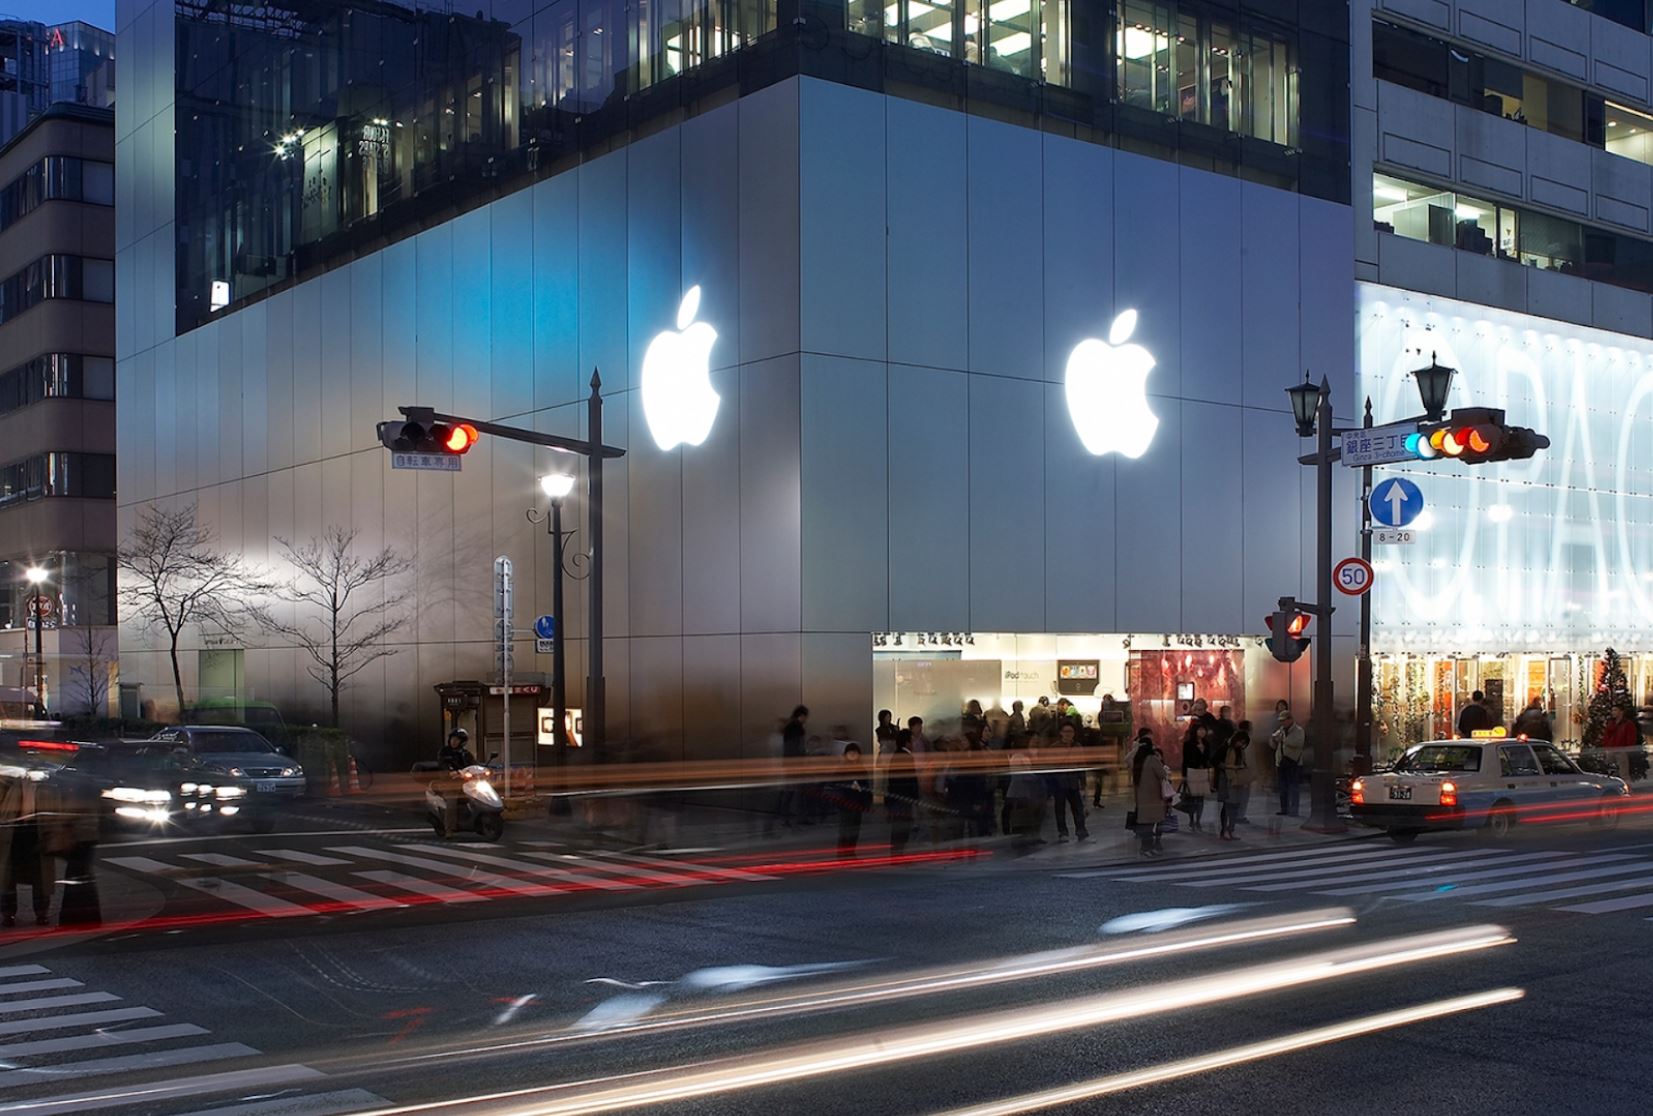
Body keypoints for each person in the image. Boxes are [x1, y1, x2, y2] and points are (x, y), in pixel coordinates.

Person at [0, 766, 50, 927]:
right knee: (8, 877)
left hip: (36, 832)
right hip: (14, 833)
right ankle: (8, 914)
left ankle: (41, 913)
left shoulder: (46, 780)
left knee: (40, 878)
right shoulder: (8, 778)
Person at [1046, 721, 1090, 842]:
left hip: (1073, 782)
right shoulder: (1054, 748)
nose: (1068, 734)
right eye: (1065, 731)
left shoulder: (1078, 747)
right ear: (1061, 733)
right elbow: (1050, 766)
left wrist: (1083, 783)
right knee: (1060, 809)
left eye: (1070, 731)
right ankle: (1063, 832)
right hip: (1059, 783)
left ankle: (1081, 830)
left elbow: (1082, 765)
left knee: (1077, 808)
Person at [1131, 730, 1169, 857]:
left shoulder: (1137, 760)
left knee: (1145, 824)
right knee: (1152, 824)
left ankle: (1145, 847)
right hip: (1154, 796)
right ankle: (1147, 848)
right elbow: (1162, 774)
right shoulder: (1152, 759)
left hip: (1141, 796)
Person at [1005, 742, 1047, 852]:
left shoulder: (1028, 756)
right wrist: (1036, 778)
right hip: (1019, 791)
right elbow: (1021, 774)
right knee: (1020, 816)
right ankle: (1020, 840)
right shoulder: (1017, 757)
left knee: (1030, 815)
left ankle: (1030, 837)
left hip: (1029, 792)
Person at [833, 743, 873, 857]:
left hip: (857, 803)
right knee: (846, 828)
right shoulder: (842, 769)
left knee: (855, 828)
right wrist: (849, 785)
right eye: (850, 753)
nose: (853, 755)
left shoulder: (862, 769)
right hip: (846, 803)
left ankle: (851, 852)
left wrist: (866, 802)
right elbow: (836, 784)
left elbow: (866, 787)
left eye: (855, 753)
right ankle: (843, 853)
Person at [437, 728, 477, 837]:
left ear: (462, 742)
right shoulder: (444, 752)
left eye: (457, 739)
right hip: (449, 783)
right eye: (452, 739)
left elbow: (474, 765)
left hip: (466, 783)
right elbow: (442, 764)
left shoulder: (466, 754)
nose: (454, 741)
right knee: (452, 800)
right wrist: (450, 772)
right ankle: (449, 829)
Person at [885, 729, 918, 853]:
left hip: (899, 797)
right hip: (903, 797)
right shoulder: (904, 757)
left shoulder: (898, 755)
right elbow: (907, 780)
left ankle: (897, 853)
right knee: (901, 828)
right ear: (907, 742)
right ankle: (897, 854)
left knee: (900, 827)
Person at [1214, 730, 1251, 840]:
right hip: (1227, 779)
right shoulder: (1226, 748)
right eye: (1241, 742)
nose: (1241, 744)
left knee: (1235, 806)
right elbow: (1214, 761)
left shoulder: (1240, 750)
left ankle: (1231, 829)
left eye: (1243, 743)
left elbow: (1243, 763)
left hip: (1238, 780)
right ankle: (1224, 830)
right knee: (1227, 806)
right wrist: (1229, 767)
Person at [776, 705, 809, 827]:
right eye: (805, 717)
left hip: (789, 763)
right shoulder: (796, 727)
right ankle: (794, 817)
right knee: (795, 791)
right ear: (802, 716)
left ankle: (786, 817)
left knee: (790, 791)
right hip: (795, 764)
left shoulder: (789, 727)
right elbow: (798, 746)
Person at [1272, 708, 1306, 817]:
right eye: (1281, 721)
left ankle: (1294, 809)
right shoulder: (1281, 730)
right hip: (1281, 761)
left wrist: (1283, 740)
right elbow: (1274, 741)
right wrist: (1274, 739)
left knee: (1293, 786)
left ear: (1290, 719)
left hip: (1293, 762)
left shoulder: (1299, 730)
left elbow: (1298, 743)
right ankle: (1284, 808)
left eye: (1284, 720)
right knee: (1283, 787)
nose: (1282, 723)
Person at [1180, 719, 1212, 833]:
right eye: (1200, 730)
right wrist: (1184, 775)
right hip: (1192, 771)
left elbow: (1208, 758)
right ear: (1195, 731)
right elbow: (1185, 760)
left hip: (1202, 772)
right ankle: (1191, 820)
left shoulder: (1207, 743)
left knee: (1200, 799)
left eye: (1204, 730)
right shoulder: (1188, 744)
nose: (1202, 732)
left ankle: (1198, 820)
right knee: (1192, 798)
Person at [1604, 704, 1641, 789]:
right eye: (1612, 710)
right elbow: (1606, 736)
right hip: (1611, 750)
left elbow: (1631, 738)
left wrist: (1626, 749)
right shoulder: (1611, 723)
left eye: (1615, 710)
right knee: (1609, 770)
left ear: (1621, 712)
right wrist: (1607, 748)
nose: (1613, 712)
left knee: (1623, 772)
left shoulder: (1627, 724)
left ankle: (1628, 790)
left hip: (1621, 751)